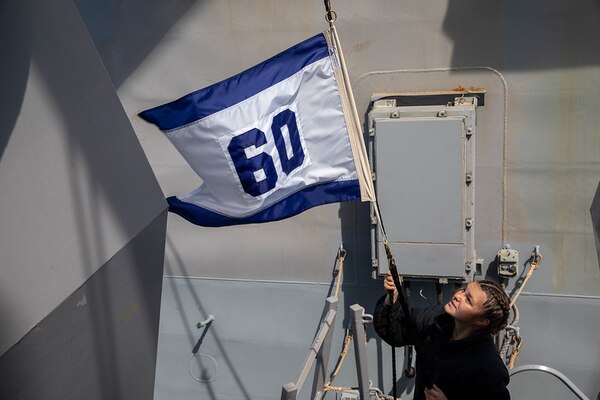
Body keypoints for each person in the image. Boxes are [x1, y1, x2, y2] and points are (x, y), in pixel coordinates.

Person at [373, 271, 511, 400]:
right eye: (464, 290)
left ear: (482, 321)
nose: (458, 296)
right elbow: (395, 331)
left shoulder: (488, 369)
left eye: (468, 300)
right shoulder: (436, 320)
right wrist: (392, 296)